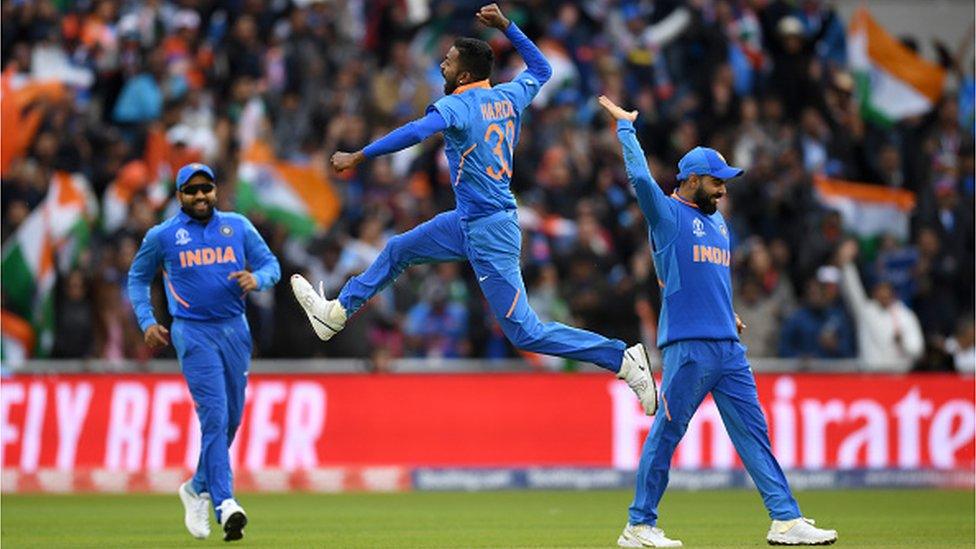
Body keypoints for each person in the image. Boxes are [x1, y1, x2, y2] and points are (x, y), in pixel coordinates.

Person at [290, 4, 656, 414]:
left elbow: (415, 131)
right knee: (399, 249)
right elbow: (542, 70)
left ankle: (622, 359)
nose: (441, 65)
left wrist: (360, 154)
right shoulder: (507, 96)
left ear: (463, 75)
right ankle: (337, 313)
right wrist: (508, 27)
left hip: (489, 230)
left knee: (524, 332)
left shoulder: (457, 107)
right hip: (469, 221)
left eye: (447, 62)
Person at [598, 95, 837, 547]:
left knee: (755, 433)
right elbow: (638, 177)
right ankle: (639, 525)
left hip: (727, 347)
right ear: (690, 180)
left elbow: (709, 277)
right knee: (667, 434)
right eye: (716, 181)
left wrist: (729, 312)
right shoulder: (666, 214)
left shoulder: (719, 222)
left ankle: (785, 520)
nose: (724, 189)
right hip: (687, 346)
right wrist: (626, 128)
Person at [127, 163, 281, 542]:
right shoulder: (163, 236)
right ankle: (224, 502)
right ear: (179, 195)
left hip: (235, 330)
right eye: (191, 190)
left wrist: (257, 279)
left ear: (215, 191)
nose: (200, 196)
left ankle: (196, 487)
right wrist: (147, 320)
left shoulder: (238, 226)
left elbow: (270, 265)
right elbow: (136, 278)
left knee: (230, 421)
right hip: (193, 333)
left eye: (205, 189)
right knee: (214, 416)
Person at [836, 238, 924, 372]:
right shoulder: (866, 312)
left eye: (886, 290)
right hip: (871, 377)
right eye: (880, 290)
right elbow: (853, 290)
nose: (883, 294)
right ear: (874, 292)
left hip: (898, 377)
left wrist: (903, 342)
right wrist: (847, 265)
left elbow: (917, 350)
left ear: (893, 292)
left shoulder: (905, 315)